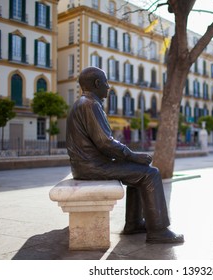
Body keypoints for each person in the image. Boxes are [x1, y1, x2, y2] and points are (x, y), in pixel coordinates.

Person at [66, 66, 184, 244]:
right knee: (150, 174)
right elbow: (105, 143)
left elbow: (102, 144)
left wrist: (131, 158)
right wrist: (132, 156)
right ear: (97, 83)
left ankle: (134, 223)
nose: (108, 86)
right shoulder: (91, 105)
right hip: (92, 167)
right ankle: (158, 230)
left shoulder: (83, 103)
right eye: (106, 82)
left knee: (139, 172)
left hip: (86, 165)